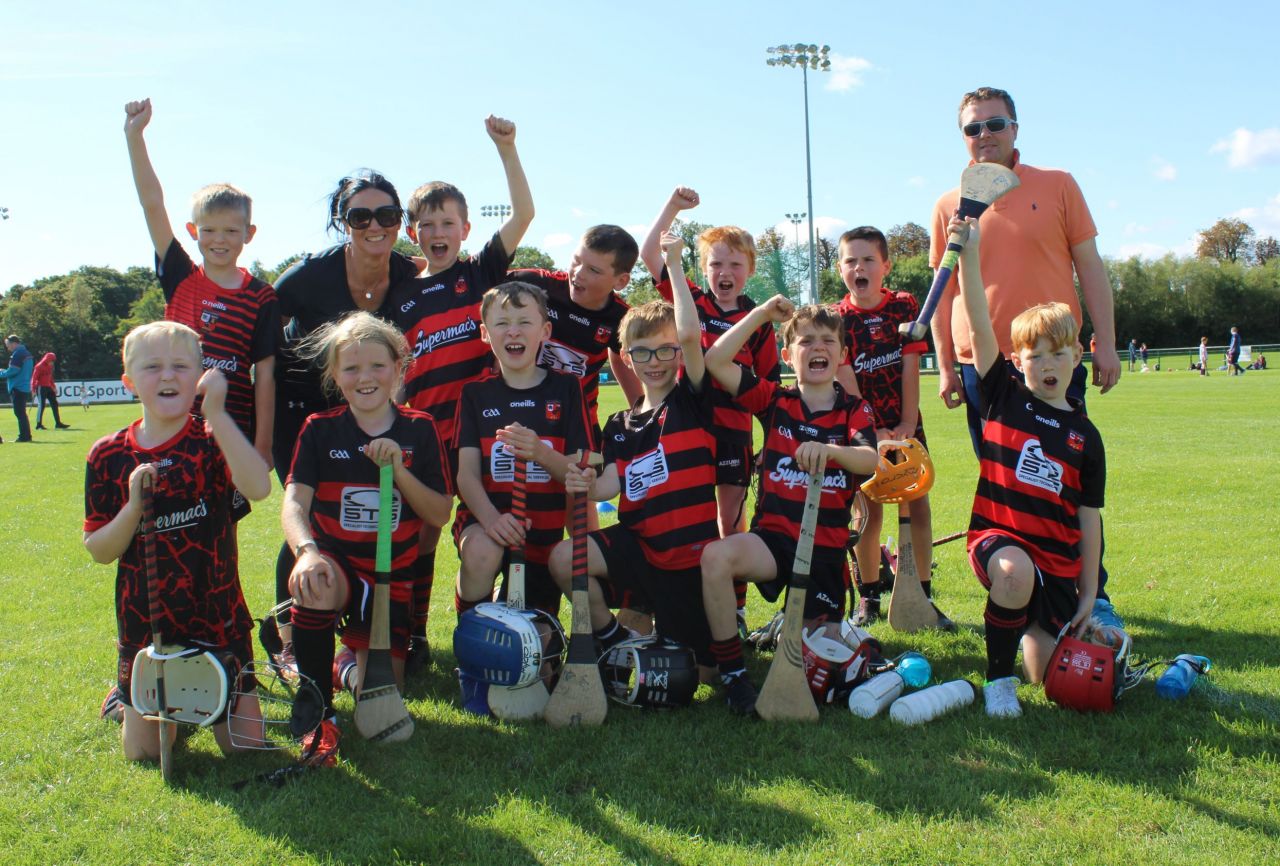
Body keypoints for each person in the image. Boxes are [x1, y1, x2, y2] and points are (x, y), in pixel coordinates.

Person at [930, 86, 1120, 629]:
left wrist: (1104, 340)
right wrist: (946, 365)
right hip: (982, 368)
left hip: (1053, 360)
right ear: (962, 138)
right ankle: (1021, 593)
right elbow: (942, 291)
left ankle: (1091, 593)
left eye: (995, 124)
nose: (984, 136)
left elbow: (1091, 266)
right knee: (1007, 484)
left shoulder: (1058, 184)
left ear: (1016, 128)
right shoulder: (950, 205)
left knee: (1068, 484)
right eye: (973, 128)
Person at [696, 257, 879, 716]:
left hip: (824, 548)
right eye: (805, 341)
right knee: (717, 556)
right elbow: (715, 360)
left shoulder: (854, 410)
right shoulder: (774, 400)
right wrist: (758, 315)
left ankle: (800, 629)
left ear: (841, 355)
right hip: (775, 541)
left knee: (819, 664)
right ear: (787, 354)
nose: (817, 348)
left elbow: (870, 459)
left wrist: (831, 451)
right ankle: (733, 672)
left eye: (828, 342)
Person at [84, 321, 272, 762]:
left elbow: (258, 488)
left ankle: (201, 703)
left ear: (200, 376)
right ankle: (128, 700)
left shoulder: (212, 440)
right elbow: (99, 549)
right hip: (146, 620)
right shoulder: (108, 454)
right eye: (152, 367)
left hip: (217, 615)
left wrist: (220, 415)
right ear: (129, 381)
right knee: (146, 755)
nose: (167, 376)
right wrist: (132, 508)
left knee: (246, 749)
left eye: (180, 366)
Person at [389, 115, 534, 667]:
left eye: (447, 221)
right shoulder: (400, 296)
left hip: (482, 435)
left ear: (466, 229)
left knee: (495, 528)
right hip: (426, 435)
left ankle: (491, 620)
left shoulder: (478, 276)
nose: (437, 231)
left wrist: (507, 149)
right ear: (413, 234)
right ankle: (416, 634)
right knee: (423, 536)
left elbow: (524, 214)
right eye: (426, 224)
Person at [270, 170, 426, 678]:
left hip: (369, 412)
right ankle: (292, 639)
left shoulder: (409, 275)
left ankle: (385, 631)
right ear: (343, 222)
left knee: (375, 515)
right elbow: (257, 339)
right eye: (361, 216)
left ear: (400, 221)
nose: (374, 226)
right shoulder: (307, 276)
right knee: (311, 518)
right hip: (301, 414)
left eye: (386, 215)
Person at [550, 245, 723, 701]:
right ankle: (613, 636)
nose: (656, 360)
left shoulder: (691, 399)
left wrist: (674, 263)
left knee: (702, 677)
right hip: (640, 548)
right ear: (625, 358)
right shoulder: (620, 426)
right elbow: (609, 484)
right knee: (562, 558)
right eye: (642, 352)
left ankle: (665, 633)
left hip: (689, 561)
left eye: (666, 349)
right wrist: (585, 484)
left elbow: (690, 334)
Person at [281, 312, 452, 764]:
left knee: (385, 690)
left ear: (399, 367)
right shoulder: (320, 427)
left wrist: (398, 472)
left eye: (377, 365)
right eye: (351, 368)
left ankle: (345, 666)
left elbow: (439, 512)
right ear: (335, 375)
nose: (365, 378)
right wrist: (306, 552)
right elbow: (294, 504)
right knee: (314, 583)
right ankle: (315, 705)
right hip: (337, 565)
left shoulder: (419, 428)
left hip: (389, 578)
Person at [952, 215, 1103, 718]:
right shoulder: (1003, 397)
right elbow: (976, 317)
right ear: (1018, 361)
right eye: (1036, 356)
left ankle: (1028, 633)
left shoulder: (1086, 438)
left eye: (1059, 353)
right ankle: (997, 680)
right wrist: (969, 256)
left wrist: (1089, 593)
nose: (1048, 365)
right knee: (1013, 575)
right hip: (1000, 540)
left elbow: (1089, 518)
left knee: (1052, 677)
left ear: (1078, 356)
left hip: (1058, 560)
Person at [451, 282, 593, 712]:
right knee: (480, 552)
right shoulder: (475, 394)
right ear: (485, 334)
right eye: (502, 323)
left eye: (524, 322)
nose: (513, 332)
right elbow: (465, 475)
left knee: (538, 653)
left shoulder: (566, 391)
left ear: (545, 331)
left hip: (545, 535)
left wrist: (540, 453)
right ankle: (471, 654)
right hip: (490, 520)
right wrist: (493, 520)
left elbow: (578, 472)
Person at [124, 99, 277, 459]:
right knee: (167, 512)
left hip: (233, 428)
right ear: (193, 230)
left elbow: (266, 376)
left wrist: (264, 445)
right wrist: (134, 136)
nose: (219, 239)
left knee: (223, 517)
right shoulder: (181, 276)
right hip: (171, 426)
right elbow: (152, 203)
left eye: (230, 230)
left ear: (249, 233)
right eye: (209, 230)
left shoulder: (262, 296)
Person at [641, 188, 782, 541]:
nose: (725, 271)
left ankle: (732, 594)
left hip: (734, 432)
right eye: (716, 263)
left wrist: (772, 446)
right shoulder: (692, 300)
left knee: (731, 518)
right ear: (704, 269)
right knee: (685, 510)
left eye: (735, 264)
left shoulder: (759, 320)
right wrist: (672, 207)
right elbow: (649, 253)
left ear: (750, 269)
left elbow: (770, 391)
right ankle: (691, 581)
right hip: (686, 423)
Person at [833, 227, 951, 629]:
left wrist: (904, 425)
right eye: (850, 260)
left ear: (885, 266)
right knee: (867, 514)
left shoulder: (903, 306)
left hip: (905, 425)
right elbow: (846, 378)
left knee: (916, 506)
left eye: (868, 260)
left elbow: (910, 367)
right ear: (840, 269)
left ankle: (922, 592)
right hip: (862, 430)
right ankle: (868, 597)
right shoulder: (838, 318)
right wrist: (873, 432)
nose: (859, 267)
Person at [508, 225, 644, 433]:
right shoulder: (535, 284)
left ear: (621, 280)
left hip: (577, 427)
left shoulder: (623, 319)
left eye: (594, 270)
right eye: (577, 261)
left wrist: (641, 420)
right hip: (516, 418)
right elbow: (480, 280)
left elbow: (625, 363)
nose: (578, 273)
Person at [2, 335, 34, 442]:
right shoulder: (26, 353)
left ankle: (24, 437)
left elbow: (13, 371)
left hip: (17, 386)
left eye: (8, 345)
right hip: (24, 386)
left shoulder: (18, 354)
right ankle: (26, 436)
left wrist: (2, 373)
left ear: (14, 343)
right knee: (21, 412)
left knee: (19, 413)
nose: (8, 348)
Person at [31, 352, 71, 430]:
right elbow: (34, 378)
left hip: (48, 387)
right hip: (41, 387)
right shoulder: (38, 367)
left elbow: (50, 377)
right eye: (51, 360)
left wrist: (54, 387)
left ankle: (58, 423)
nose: (52, 362)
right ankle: (38, 424)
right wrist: (33, 389)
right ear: (47, 359)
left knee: (55, 404)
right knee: (41, 405)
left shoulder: (50, 366)